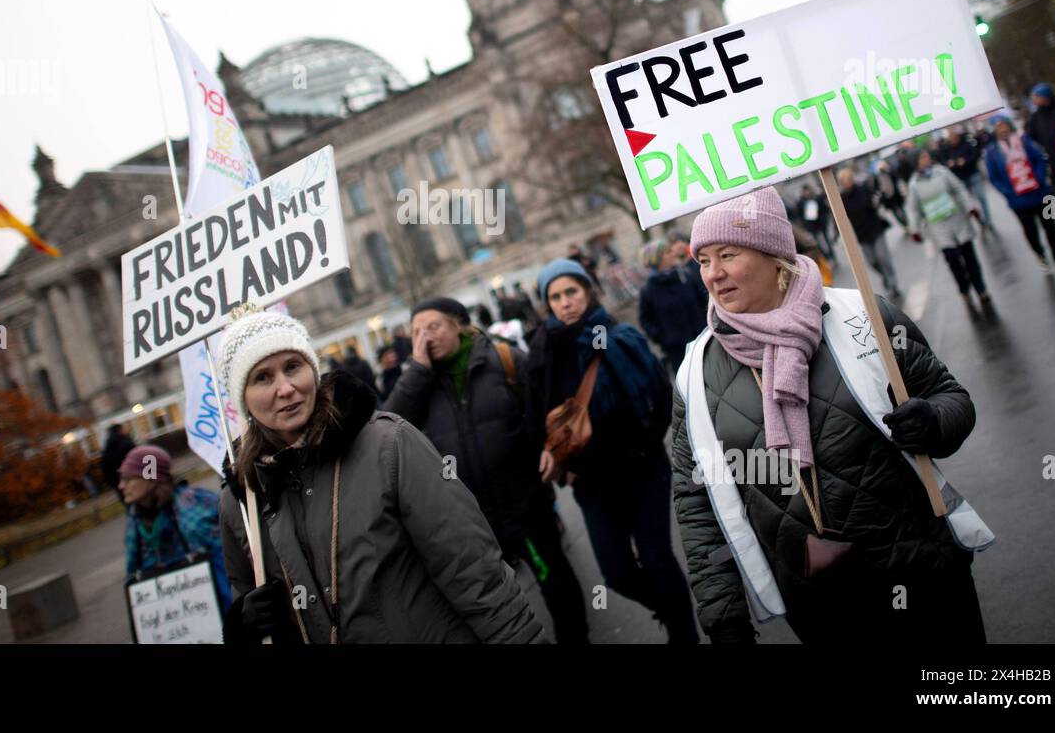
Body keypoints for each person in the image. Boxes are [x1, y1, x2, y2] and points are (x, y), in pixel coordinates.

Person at [670, 187, 991, 643]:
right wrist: (723, 614)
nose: (713, 274)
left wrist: (933, 421)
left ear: (773, 254)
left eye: (727, 254)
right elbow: (694, 497)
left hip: (923, 570)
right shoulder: (695, 373)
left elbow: (949, 396)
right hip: (821, 605)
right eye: (702, 260)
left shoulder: (862, 315)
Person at [215, 303, 546, 644]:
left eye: (292, 366)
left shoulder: (387, 444)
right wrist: (244, 626)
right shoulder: (242, 499)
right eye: (262, 378)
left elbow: (471, 567)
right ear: (242, 398)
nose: (285, 389)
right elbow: (247, 589)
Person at [384, 297, 588, 643]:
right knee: (493, 601)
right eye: (416, 332)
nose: (425, 337)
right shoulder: (417, 383)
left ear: (459, 325)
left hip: (525, 504)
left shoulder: (505, 361)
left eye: (433, 327)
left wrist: (551, 449)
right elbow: (389, 432)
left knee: (553, 580)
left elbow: (546, 414)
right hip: (468, 519)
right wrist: (417, 372)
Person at [526, 258, 700, 643]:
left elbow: (659, 397)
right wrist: (553, 451)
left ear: (588, 291)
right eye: (554, 296)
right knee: (616, 574)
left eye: (571, 291)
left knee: (657, 560)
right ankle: (670, 607)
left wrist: (641, 444)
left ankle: (683, 633)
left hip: (641, 471)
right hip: (590, 483)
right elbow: (538, 410)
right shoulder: (543, 350)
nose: (564, 302)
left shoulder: (619, 337)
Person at [120, 445, 232, 613]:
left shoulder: (199, 504)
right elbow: (134, 573)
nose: (121, 485)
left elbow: (229, 559)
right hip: (171, 617)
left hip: (217, 607)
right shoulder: (134, 520)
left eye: (128, 479)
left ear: (150, 478)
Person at [984, 114, 1055, 273]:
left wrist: (1039, 177)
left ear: (1010, 126)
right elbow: (993, 177)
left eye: (1004, 125)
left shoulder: (1024, 140)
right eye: (998, 127)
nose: (1002, 129)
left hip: (1042, 194)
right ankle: (1040, 254)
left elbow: (1040, 159)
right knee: (1030, 230)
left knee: (1050, 226)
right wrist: (1007, 191)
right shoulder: (992, 152)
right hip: (1018, 201)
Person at [905, 149, 992, 305]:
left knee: (970, 258)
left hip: (958, 220)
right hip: (939, 227)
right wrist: (915, 230)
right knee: (953, 261)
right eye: (922, 158)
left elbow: (958, 188)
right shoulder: (914, 185)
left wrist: (970, 206)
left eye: (926, 156)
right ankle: (964, 289)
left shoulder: (941, 172)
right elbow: (913, 209)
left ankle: (981, 289)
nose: (927, 159)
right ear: (915, 163)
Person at [638, 235, 709, 376]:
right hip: (678, 351)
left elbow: (704, 301)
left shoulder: (686, 276)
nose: (673, 253)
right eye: (668, 252)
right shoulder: (648, 290)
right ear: (656, 259)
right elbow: (645, 321)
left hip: (704, 342)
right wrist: (664, 338)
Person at [835, 165, 902, 301]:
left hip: (875, 228)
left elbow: (877, 199)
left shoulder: (863, 189)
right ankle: (884, 276)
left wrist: (879, 198)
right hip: (862, 234)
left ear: (852, 178)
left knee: (883, 257)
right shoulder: (841, 198)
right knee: (872, 262)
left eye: (848, 178)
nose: (847, 182)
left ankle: (892, 283)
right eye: (844, 180)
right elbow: (838, 217)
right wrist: (837, 234)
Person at [936, 127, 993, 227]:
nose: (952, 140)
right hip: (960, 178)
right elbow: (943, 161)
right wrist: (949, 163)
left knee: (981, 197)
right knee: (969, 201)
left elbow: (975, 154)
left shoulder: (966, 143)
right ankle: (979, 219)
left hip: (973, 174)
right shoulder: (945, 148)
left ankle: (988, 220)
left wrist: (965, 160)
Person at [795, 184, 837, 265]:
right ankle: (826, 257)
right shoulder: (801, 202)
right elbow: (800, 215)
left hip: (821, 224)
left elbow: (824, 209)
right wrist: (805, 224)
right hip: (812, 227)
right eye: (805, 191)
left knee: (827, 241)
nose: (806, 193)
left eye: (807, 191)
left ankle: (832, 257)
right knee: (818, 244)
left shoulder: (816, 198)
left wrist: (823, 219)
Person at [100, 423, 135, 502]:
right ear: (120, 430)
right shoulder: (126, 443)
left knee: (129, 503)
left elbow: (105, 468)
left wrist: (112, 483)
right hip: (134, 479)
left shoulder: (107, 448)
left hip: (118, 483)